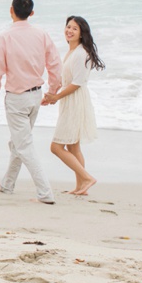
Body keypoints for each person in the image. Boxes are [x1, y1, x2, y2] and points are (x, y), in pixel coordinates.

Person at [0, 0, 62, 204]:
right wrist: (52, 91)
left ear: (11, 10)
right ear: (32, 13)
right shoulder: (42, 35)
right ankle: (7, 184)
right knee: (19, 143)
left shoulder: (3, 38)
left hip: (17, 99)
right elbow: (55, 65)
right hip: (36, 96)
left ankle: (45, 192)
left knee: (24, 146)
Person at [42, 16, 105, 195]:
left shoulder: (81, 53)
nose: (69, 30)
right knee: (73, 147)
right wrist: (51, 97)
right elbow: (67, 80)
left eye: (74, 28)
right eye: (68, 27)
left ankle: (87, 178)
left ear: (82, 33)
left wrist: (57, 97)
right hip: (70, 100)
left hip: (75, 101)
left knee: (56, 147)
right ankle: (81, 187)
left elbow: (77, 83)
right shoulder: (73, 51)